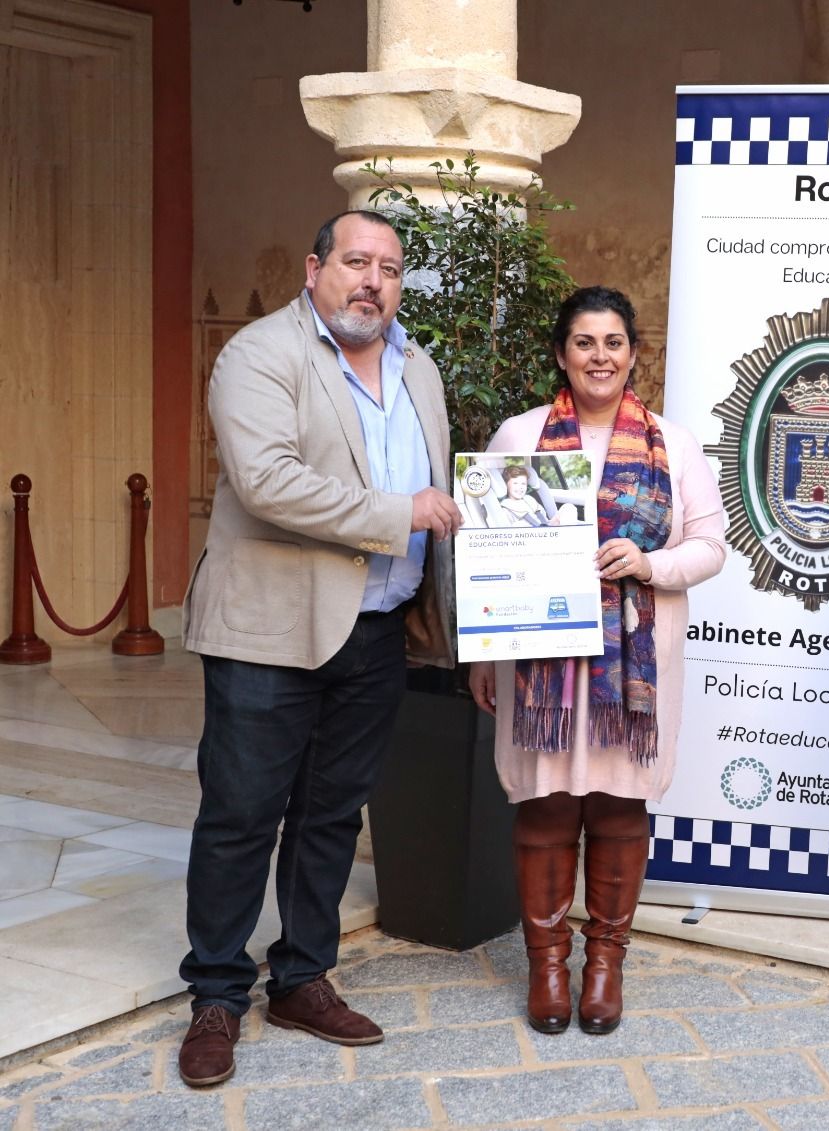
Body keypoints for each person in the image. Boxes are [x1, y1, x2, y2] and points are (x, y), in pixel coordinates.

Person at [178, 210, 462, 1086]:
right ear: (315, 268)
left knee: (333, 813)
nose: (371, 280)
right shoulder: (262, 354)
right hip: (269, 631)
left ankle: (302, 975)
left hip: (376, 632)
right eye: (354, 261)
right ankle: (218, 996)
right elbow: (266, 483)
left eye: (388, 267)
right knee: (240, 815)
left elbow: (442, 492)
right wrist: (398, 514)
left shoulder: (420, 367)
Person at [468, 286, 726, 1036]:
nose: (600, 356)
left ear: (635, 353)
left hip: (633, 669)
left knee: (618, 806)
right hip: (540, 663)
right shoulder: (519, 439)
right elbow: (481, 554)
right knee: (545, 804)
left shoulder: (672, 447)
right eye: (584, 342)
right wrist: (480, 658)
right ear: (561, 353)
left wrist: (648, 561)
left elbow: (710, 548)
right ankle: (547, 965)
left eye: (614, 342)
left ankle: (605, 964)